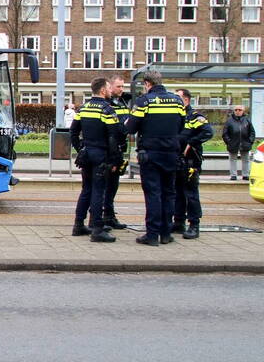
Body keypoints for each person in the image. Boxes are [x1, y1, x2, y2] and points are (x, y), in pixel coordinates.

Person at [125, 70, 186, 246]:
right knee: (169, 193)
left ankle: (152, 235)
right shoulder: (177, 101)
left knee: (153, 194)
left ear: (147, 83)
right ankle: (166, 233)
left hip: (150, 154)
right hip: (171, 153)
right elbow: (181, 125)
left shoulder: (144, 101)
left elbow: (131, 127)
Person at [70, 77, 125, 243]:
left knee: (86, 189)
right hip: (101, 155)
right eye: (108, 88)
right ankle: (97, 229)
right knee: (98, 191)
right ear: (102, 90)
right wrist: (115, 160)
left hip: (86, 154)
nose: (110, 91)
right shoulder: (107, 110)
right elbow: (114, 136)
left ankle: (78, 225)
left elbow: (73, 132)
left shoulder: (84, 108)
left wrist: (80, 149)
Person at [172, 88, 213, 239]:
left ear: (186, 100)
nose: (174, 100)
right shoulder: (176, 116)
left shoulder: (195, 116)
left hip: (190, 161)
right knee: (177, 192)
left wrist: (191, 142)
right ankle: (178, 222)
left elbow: (208, 132)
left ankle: (194, 224)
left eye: (177, 97)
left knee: (191, 194)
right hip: (177, 160)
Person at [102, 73, 130, 230]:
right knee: (105, 186)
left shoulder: (121, 103)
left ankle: (110, 215)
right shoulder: (107, 105)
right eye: (119, 86)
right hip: (109, 151)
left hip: (119, 149)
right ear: (110, 86)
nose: (121, 89)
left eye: (123, 86)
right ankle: (102, 217)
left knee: (113, 186)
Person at [222, 104, 255, 180]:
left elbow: (252, 132)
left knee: (246, 160)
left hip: (245, 143)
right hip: (233, 144)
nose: (237, 111)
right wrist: (229, 142)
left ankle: (245, 175)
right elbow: (225, 133)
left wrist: (250, 141)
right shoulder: (229, 121)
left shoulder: (247, 120)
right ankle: (233, 175)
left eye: (240, 110)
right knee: (232, 160)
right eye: (236, 110)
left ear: (243, 111)